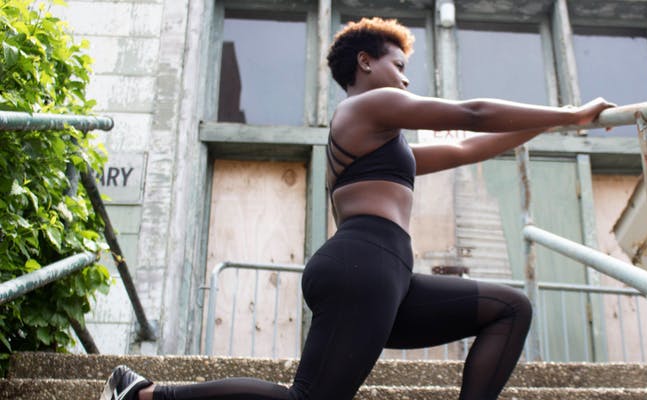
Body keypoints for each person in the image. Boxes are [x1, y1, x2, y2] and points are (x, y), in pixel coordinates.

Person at [100, 17, 614, 400]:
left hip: (387, 278)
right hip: (363, 266)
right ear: (366, 63)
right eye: (399, 67)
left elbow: (466, 148)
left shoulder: (383, 141)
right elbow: (470, 114)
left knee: (510, 309)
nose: (406, 81)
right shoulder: (365, 107)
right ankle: (144, 394)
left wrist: (548, 125)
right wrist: (569, 114)